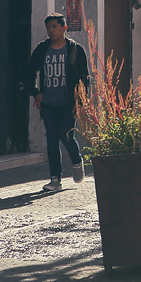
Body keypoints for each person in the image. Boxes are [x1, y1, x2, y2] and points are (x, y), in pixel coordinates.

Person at [25, 14, 91, 192]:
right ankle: (55, 179)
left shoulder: (75, 50)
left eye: (54, 27)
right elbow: (30, 72)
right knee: (52, 140)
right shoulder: (42, 49)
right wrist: (36, 93)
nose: (51, 30)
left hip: (68, 103)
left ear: (64, 28)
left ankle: (77, 161)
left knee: (67, 136)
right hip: (48, 104)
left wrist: (80, 103)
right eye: (48, 27)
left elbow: (84, 79)